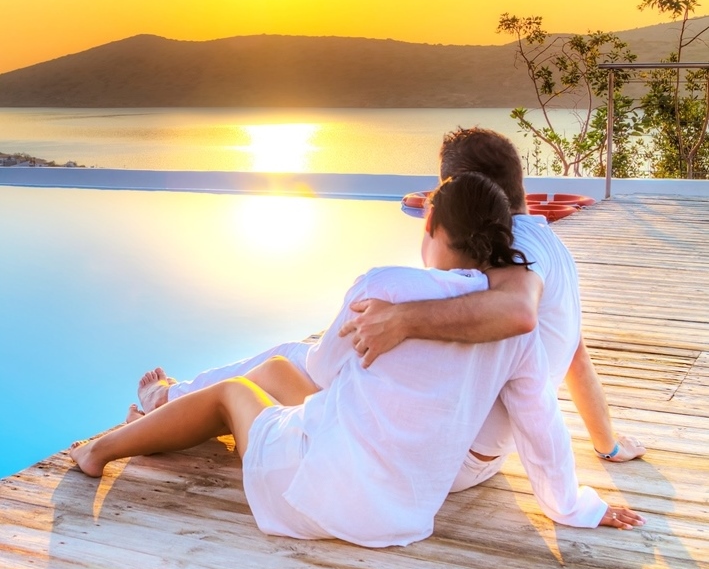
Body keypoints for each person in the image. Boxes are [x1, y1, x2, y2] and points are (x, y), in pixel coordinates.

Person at [70, 173, 643, 547]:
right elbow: (540, 424)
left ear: (434, 229)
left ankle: (100, 451)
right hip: (401, 516)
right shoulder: (517, 328)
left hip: (316, 494)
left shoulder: (388, 286)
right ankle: (158, 415)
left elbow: (324, 367)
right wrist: (575, 508)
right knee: (273, 376)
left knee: (235, 394)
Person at [138, 127, 645, 484]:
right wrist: (609, 444)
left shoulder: (518, 255)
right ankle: (180, 401)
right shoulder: (549, 245)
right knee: (310, 359)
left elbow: (518, 312)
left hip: (447, 459)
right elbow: (573, 352)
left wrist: (402, 319)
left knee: (296, 360)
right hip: (479, 452)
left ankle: (170, 402)